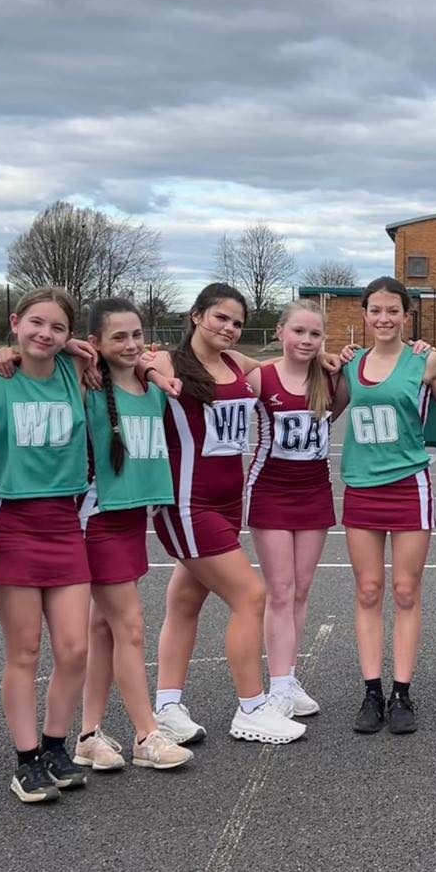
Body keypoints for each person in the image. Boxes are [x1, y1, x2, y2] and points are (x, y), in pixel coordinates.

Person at [149, 283, 305, 746]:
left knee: (185, 602)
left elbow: (283, 367)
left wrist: (329, 358)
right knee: (251, 596)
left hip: (226, 504)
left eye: (237, 322)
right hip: (186, 504)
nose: (230, 328)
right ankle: (252, 707)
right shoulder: (168, 363)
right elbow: (125, 363)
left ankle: (167, 706)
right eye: (220, 317)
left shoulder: (237, 364)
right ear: (196, 315)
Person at [0, 286, 97, 804]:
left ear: (69, 335)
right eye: (36, 323)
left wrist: (81, 349)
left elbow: (136, 357)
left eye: (58, 327)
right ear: (16, 322)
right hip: (12, 522)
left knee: (74, 648)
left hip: (64, 522)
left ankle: (55, 747)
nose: (45, 334)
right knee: (24, 651)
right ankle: (26, 762)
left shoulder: (77, 371)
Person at [72, 298, 192, 774]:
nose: (130, 344)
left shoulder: (151, 385)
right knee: (131, 626)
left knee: (103, 629)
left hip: (130, 517)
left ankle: (88, 735)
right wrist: (81, 354)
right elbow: (48, 352)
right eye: (118, 336)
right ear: (95, 342)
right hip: (99, 517)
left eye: (136, 334)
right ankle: (146, 734)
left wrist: (151, 368)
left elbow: (164, 363)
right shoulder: (85, 384)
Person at [340, 276, 436, 735]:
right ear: (365, 315)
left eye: (393, 311)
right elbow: (323, 408)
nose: (384, 318)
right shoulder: (350, 364)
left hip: (408, 486)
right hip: (361, 486)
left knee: (406, 591)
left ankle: (402, 692)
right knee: (368, 591)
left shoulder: (427, 362)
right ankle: (372, 691)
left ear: (407, 316)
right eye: (376, 310)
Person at [245, 299, 347, 719]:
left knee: (301, 590)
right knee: (281, 590)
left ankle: (288, 678)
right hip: (271, 491)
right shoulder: (261, 376)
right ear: (280, 332)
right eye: (298, 331)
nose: (306, 340)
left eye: (315, 334)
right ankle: (278, 687)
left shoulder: (330, 379)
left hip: (314, 492)